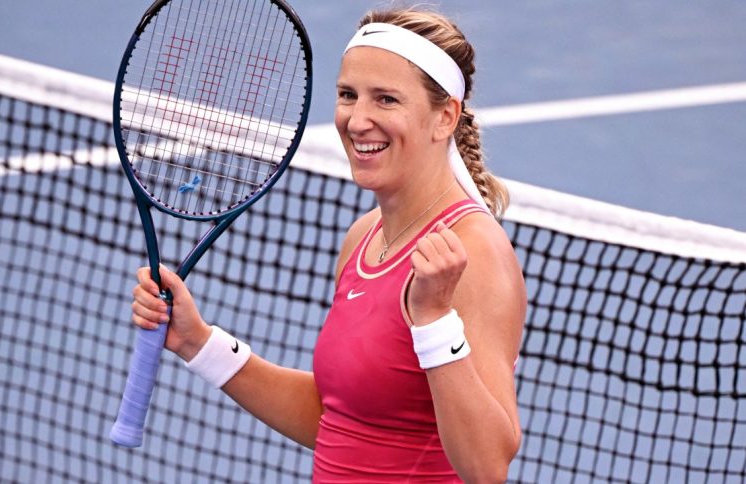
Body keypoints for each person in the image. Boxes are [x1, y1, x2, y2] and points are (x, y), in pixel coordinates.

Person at [130, 6, 526, 483]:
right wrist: (199, 342)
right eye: (347, 95)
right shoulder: (365, 237)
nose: (358, 120)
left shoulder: (474, 254)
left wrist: (436, 320)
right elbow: (338, 418)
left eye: (385, 100)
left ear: (444, 117)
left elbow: (488, 467)